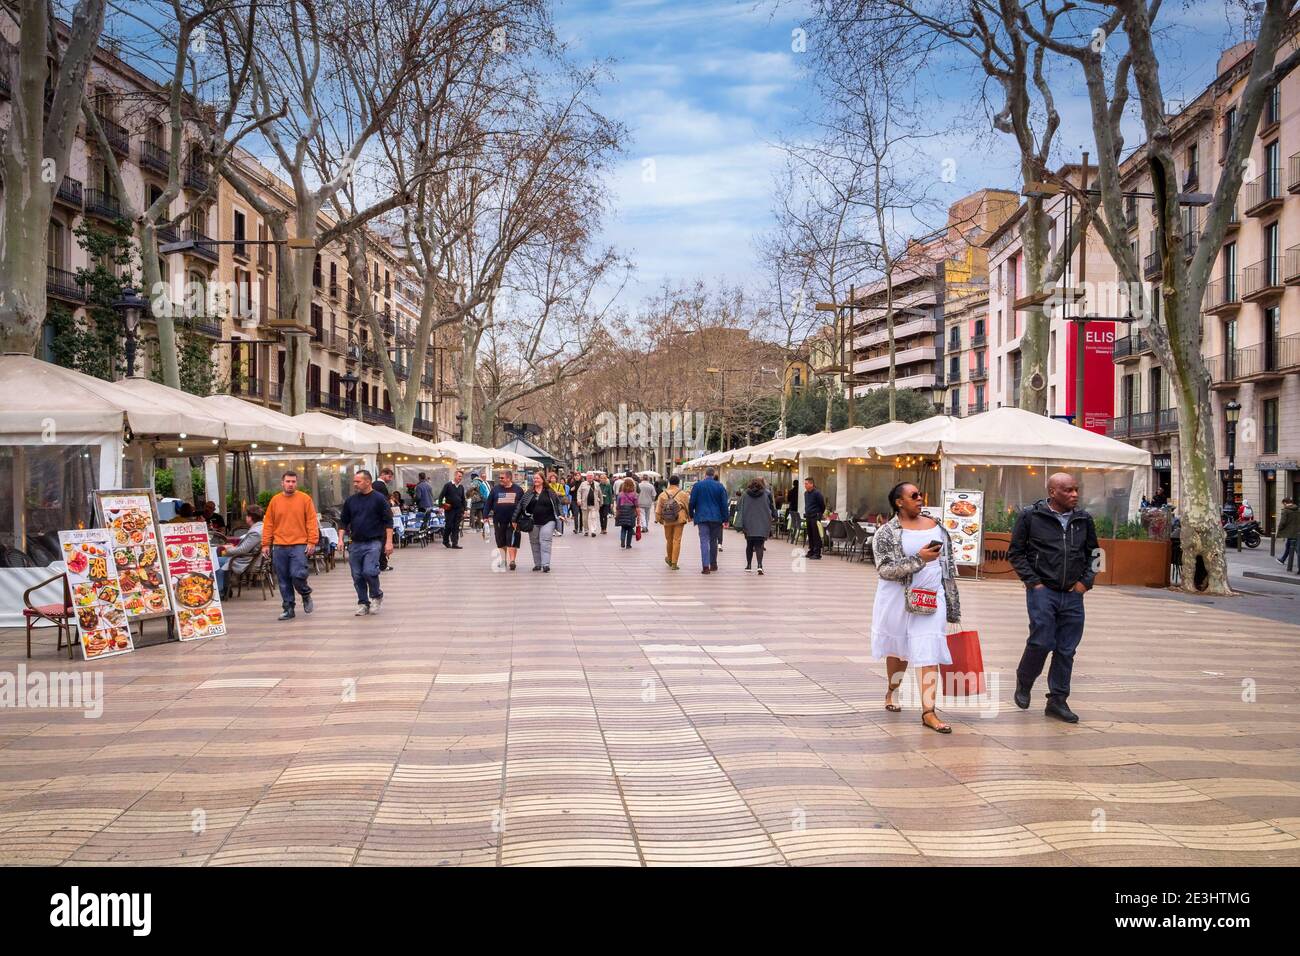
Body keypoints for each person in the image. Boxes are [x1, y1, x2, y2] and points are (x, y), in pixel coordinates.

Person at [1007, 472, 1099, 724]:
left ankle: (1057, 700)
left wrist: (1085, 583)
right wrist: (1033, 583)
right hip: (1042, 591)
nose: (1075, 495)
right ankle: (1025, 681)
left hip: (1073, 594)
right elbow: (1016, 553)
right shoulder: (1030, 516)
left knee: (1066, 649)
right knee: (1042, 640)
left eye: (1076, 490)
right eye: (1068, 490)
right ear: (1052, 493)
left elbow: (1097, 553)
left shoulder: (1084, 519)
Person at [871, 482, 962, 734]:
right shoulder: (886, 532)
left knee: (928, 649)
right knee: (898, 651)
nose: (920, 498)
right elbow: (885, 569)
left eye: (920, 494)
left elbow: (948, 564)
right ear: (899, 502)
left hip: (932, 597)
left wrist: (952, 599)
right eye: (913, 496)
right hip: (898, 599)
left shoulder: (937, 525)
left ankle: (928, 712)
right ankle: (892, 690)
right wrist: (920, 559)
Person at [260, 470, 319, 620]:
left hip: (299, 544)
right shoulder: (275, 501)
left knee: (298, 574)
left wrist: (312, 541)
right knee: (283, 579)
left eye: (293, 481)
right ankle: (288, 608)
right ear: (282, 483)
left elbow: (311, 521)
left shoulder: (305, 499)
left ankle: (305, 593)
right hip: (279, 545)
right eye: (288, 481)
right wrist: (266, 543)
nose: (290, 484)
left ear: (296, 483)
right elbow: (268, 523)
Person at [338, 469, 394, 615]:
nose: (355, 484)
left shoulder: (379, 499)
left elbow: (388, 521)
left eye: (358, 481)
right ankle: (363, 602)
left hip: (373, 542)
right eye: (354, 481)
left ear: (368, 481)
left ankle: (376, 595)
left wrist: (389, 542)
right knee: (357, 575)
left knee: (369, 571)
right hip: (355, 543)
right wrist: (340, 540)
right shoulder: (351, 501)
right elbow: (343, 522)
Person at [514, 472, 564, 572]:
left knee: (545, 541)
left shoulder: (549, 491)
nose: (535, 480)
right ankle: (537, 564)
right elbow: (520, 505)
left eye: (537, 478)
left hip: (548, 520)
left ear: (542, 479)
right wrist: (514, 519)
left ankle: (545, 564)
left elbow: (557, 503)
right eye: (534, 478)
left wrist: (561, 514)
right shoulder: (529, 492)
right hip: (533, 521)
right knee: (534, 543)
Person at [688, 466, 729, 574]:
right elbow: (724, 504)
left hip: (702, 517)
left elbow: (691, 502)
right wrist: (726, 519)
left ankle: (705, 566)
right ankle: (713, 564)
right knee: (713, 541)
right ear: (713, 474)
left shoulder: (697, 486)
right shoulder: (720, 486)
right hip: (716, 518)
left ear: (705, 474)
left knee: (704, 541)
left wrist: (691, 514)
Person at [215, 505, 263, 597]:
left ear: (250, 518)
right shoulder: (261, 527)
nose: (246, 517)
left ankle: (221, 591)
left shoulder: (255, 532)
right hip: (249, 558)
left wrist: (227, 550)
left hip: (246, 561)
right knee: (220, 560)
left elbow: (243, 549)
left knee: (215, 561)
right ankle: (225, 589)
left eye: (246, 515)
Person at [485, 469, 524, 570]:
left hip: (513, 521)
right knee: (501, 541)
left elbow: (522, 505)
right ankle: (503, 560)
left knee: (512, 540)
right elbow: (488, 503)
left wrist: (520, 519)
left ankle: (512, 561)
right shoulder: (495, 489)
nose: (500, 479)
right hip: (499, 520)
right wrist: (485, 517)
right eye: (499, 477)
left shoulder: (518, 490)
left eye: (502, 478)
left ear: (509, 478)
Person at [738, 477, 777, 574]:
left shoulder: (745, 494)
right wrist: (775, 516)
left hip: (748, 522)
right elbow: (772, 507)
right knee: (759, 545)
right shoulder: (767, 493)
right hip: (763, 522)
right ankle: (759, 565)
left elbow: (739, 507)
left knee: (749, 545)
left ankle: (748, 565)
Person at [655, 475, 690, 570]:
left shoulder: (663, 494)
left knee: (669, 540)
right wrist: (689, 518)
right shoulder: (683, 494)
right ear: (678, 483)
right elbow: (687, 506)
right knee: (677, 540)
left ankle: (669, 559)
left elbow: (658, 509)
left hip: (667, 519)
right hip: (679, 519)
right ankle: (674, 563)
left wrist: (659, 519)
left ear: (669, 483)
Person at [438, 469, 467, 549]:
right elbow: (441, 496)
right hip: (449, 510)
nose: (460, 478)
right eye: (459, 476)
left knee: (456, 527)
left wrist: (465, 510)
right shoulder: (448, 485)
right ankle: (445, 541)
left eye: (461, 477)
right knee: (449, 526)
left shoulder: (461, 487)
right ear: (455, 476)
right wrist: (440, 506)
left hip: (458, 510)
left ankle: (455, 543)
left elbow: (463, 499)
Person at [803, 476, 826, 559]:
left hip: (815, 516)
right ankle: (811, 550)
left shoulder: (817, 493)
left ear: (811, 484)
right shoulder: (806, 493)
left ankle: (817, 553)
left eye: (806, 484)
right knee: (810, 534)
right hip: (808, 516)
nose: (805, 485)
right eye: (804, 484)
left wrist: (819, 514)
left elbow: (822, 505)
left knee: (816, 535)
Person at [615, 478, 639, 549]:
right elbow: (636, 505)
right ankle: (628, 544)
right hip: (631, 512)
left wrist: (617, 513)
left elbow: (618, 506)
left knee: (623, 528)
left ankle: (622, 541)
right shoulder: (634, 494)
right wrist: (638, 514)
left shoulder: (620, 494)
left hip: (622, 512)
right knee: (630, 529)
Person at [1276, 498, 1299, 571]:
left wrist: (1279, 530)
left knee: (1295, 548)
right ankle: (1282, 559)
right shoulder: (1298, 509)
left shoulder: (1286, 511)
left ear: (1285, 503)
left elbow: (1282, 522)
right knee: (1290, 546)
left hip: (1290, 532)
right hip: (1297, 532)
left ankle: (1283, 559)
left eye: (1283, 504)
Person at [577, 473, 601, 538]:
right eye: (589, 477)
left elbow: (599, 493)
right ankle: (586, 530)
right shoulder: (583, 484)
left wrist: (601, 502)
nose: (590, 478)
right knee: (585, 519)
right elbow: (579, 492)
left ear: (593, 477)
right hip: (584, 504)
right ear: (586, 477)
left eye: (591, 477)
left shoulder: (597, 484)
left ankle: (593, 531)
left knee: (594, 517)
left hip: (594, 504)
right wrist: (579, 499)